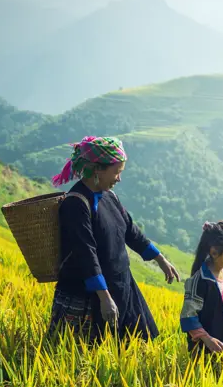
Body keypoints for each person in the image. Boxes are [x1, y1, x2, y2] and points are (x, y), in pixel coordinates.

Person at [47, 135, 180, 345]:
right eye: (116, 172)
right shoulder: (76, 204)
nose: (119, 178)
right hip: (90, 294)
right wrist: (104, 297)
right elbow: (86, 253)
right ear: (97, 169)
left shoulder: (110, 197)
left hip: (122, 285)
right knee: (86, 352)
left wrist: (161, 260)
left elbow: (131, 232)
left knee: (138, 345)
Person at [179, 221, 223, 360]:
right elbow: (188, 316)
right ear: (214, 252)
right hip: (205, 351)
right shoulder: (200, 280)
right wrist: (207, 339)